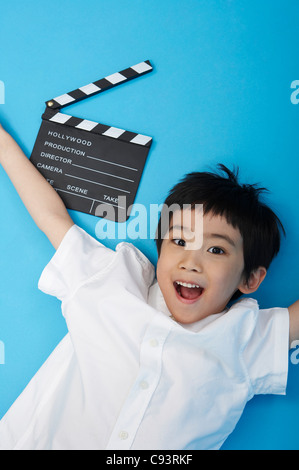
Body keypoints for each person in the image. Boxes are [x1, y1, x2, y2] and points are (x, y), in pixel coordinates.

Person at [0, 123, 298, 450]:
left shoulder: (246, 339)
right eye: (180, 240)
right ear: (160, 249)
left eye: (216, 250)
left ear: (250, 278)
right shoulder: (109, 283)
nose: (191, 261)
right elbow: (51, 217)